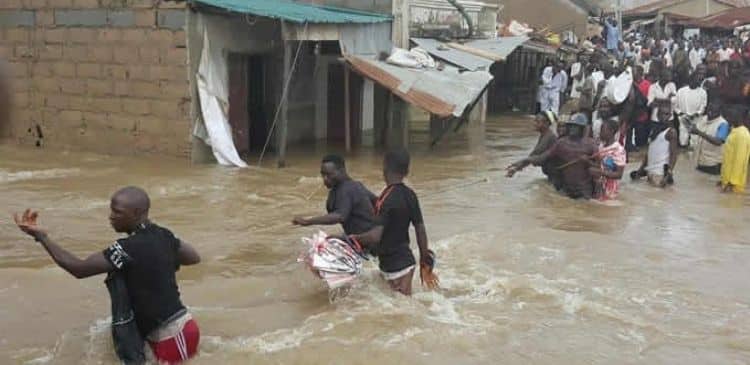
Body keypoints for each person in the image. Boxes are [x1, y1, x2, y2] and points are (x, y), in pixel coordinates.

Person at [13, 187, 202, 364]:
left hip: (172, 334)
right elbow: (193, 257)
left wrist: (42, 237)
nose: (111, 217)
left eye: (117, 212)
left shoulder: (128, 248)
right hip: (174, 328)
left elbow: (78, 269)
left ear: (136, 213)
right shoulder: (163, 235)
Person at [365, 149, 435, 295]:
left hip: (395, 267)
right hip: (405, 263)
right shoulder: (410, 195)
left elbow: (375, 237)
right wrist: (424, 260)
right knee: (402, 308)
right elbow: (420, 229)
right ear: (407, 171)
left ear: (384, 168)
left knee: (400, 308)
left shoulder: (384, 199)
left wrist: (351, 238)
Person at [507, 113, 598, 199]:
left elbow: (599, 168)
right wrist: (518, 166)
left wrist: (588, 162)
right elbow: (541, 157)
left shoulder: (591, 144)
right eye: (571, 126)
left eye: (576, 126)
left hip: (584, 191)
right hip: (566, 189)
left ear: (582, 128)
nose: (572, 129)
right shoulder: (561, 143)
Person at [293, 155, 380, 239]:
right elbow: (378, 202)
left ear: (342, 171)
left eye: (329, 174)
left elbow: (340, 216)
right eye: (323, 175)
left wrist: (307, 222)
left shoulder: (347, 189)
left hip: (365, 241)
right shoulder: (355, 185)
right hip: (360, 237)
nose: (325, 179)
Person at [506, 111, 561, 188]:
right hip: (552, 176)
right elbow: (533, 156)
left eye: (538, 121)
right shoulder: (545, 135)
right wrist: (516, 168)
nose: (534, 123)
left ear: (546, 123)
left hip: (556, 177)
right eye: (535, 121)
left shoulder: (549, 137)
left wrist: (517, 166)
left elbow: (536, 156)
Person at [632, 105, 679, 187]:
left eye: (667, 114)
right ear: (658, 115)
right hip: (650, 173)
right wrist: (640, 171)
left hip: (660, 175)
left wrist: (668, 174)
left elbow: (674, 155)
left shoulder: (671, 132)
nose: (664, 117)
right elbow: (649, 153)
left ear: (670, 116)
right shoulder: (653, 131)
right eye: (662, 114)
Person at [591, 119, 626, 200]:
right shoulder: (601, 146)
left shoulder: (618, 150)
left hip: (610, 190)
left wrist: (600, 172)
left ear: (612, 131)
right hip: (598, 187)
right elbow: (599, 165)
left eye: (602, 130)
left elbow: (619, 175)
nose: (600, 133)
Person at [691, 102, 730, 175]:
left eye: (714, 111)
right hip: (699, 160)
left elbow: (718, 142)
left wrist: (699, 132)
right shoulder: (703, 119)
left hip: (713, 164)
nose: (710, 113)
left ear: (720, 112)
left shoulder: (723, 124)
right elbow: (695, 131)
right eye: (709, 110)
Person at [720, 105, 750, 193]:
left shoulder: (742, 134)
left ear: (739, 116)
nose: (728, 118)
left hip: (734, 185)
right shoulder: (735, 130)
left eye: (730, 115)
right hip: (727, 181)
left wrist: (732, 182)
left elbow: (739, 160)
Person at [674, 73, 708, 148]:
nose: (696, 82)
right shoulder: (681, 91)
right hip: (683, 118)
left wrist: (696, 114)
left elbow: (703, 106)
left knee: (695, 142)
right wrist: (681, 114)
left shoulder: (702, 92)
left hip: (696, 119)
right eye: (694, 80)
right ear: (689, 80)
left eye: (698, 80)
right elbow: (675, 105)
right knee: (683, 141)